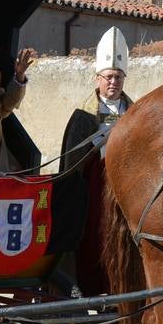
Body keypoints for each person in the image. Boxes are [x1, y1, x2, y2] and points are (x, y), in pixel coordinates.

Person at [58, 28, 134, 296]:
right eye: (109, 77)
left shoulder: (135, 111)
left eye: (118, 77)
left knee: (122, 241)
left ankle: (119, 295)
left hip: (123, 187)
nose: (113, 82)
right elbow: (71, 161)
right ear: (98, 78)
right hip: (92, 187)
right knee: (94, 239)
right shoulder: (83, 115)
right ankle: (87, 291)